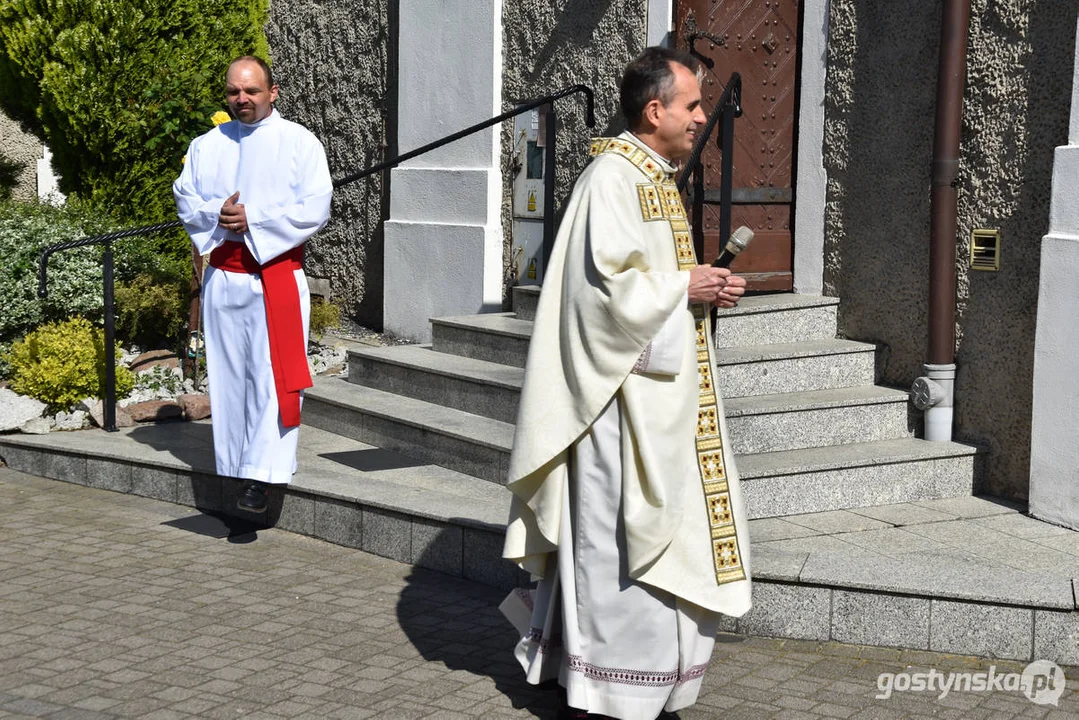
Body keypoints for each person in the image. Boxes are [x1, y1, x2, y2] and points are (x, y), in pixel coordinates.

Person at [500, 46, 752, 720]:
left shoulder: (654, 176)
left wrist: (700, 288)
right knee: (617, 550)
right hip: (614, 409)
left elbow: (644, 284)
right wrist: (681, 286)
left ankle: (651, 684)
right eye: (692, 104)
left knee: (655, 543)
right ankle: (610, 691)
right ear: (654, 109)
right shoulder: (610, 178)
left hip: (657, 399)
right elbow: (596, 302)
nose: (702, 117)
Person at [173, 56, 333, 513]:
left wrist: (254, 219)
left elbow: (315, 206)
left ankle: (262, 478)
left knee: (270, 377)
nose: (241, 99)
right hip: (224, 278)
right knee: (228, 377)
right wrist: (215, 214)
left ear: (272, 92)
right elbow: (185, 195)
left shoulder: (299, 143)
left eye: (251, 91)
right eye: (233, 92)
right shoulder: (207, 144)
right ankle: (238, 465)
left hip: (274, 276)